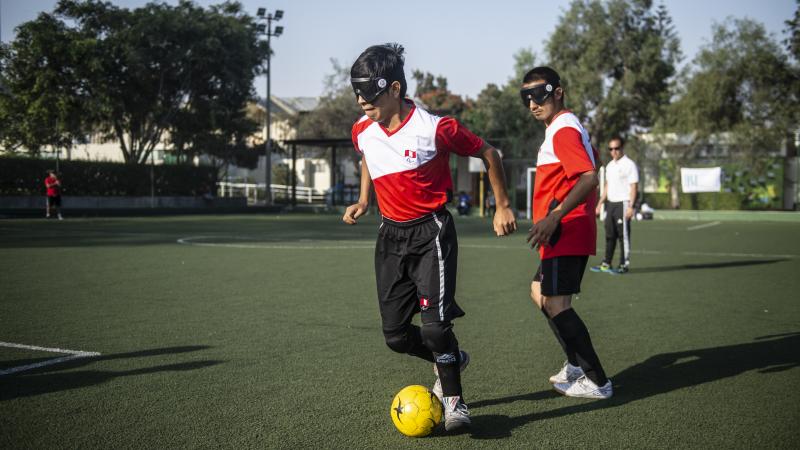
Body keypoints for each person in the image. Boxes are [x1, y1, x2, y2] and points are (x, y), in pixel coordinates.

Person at [343, 43, 517, 431]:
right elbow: (367, 156)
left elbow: (490, 153)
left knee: (436, 327)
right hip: (390, 236)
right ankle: (451, 357)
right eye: (356, 92)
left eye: (368, 93)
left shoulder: (435, 128)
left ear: (393, 90)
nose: (361, 101)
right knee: (396, 337)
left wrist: (502, 205)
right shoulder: (362, 129)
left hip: (431, 233)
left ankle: (455, 402)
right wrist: (363, 199)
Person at [522, 66, 612, 399]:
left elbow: (589, 176)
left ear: (558, 92)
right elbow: (595, 163)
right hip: (563, 228)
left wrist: (556, 214)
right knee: (538, 292)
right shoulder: (568, 127)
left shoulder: (562, 130)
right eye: (526, 97)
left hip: (566, 228)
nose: (533, 103)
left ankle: (597, 381)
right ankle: (575, 365)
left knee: (555, 302)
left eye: (540, 94)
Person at [591, 136, 639, 274]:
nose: (614, 151)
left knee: (623, 236)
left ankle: (624, 265)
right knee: (609, 235)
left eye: (616, 148)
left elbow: (634, 187)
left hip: (623, 204)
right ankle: (606, 263)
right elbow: (607, 186)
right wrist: (600, 203)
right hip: (610, 204)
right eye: (611, 149)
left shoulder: (629, 164)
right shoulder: (610, 166)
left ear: (622, 148)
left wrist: (631, 206)